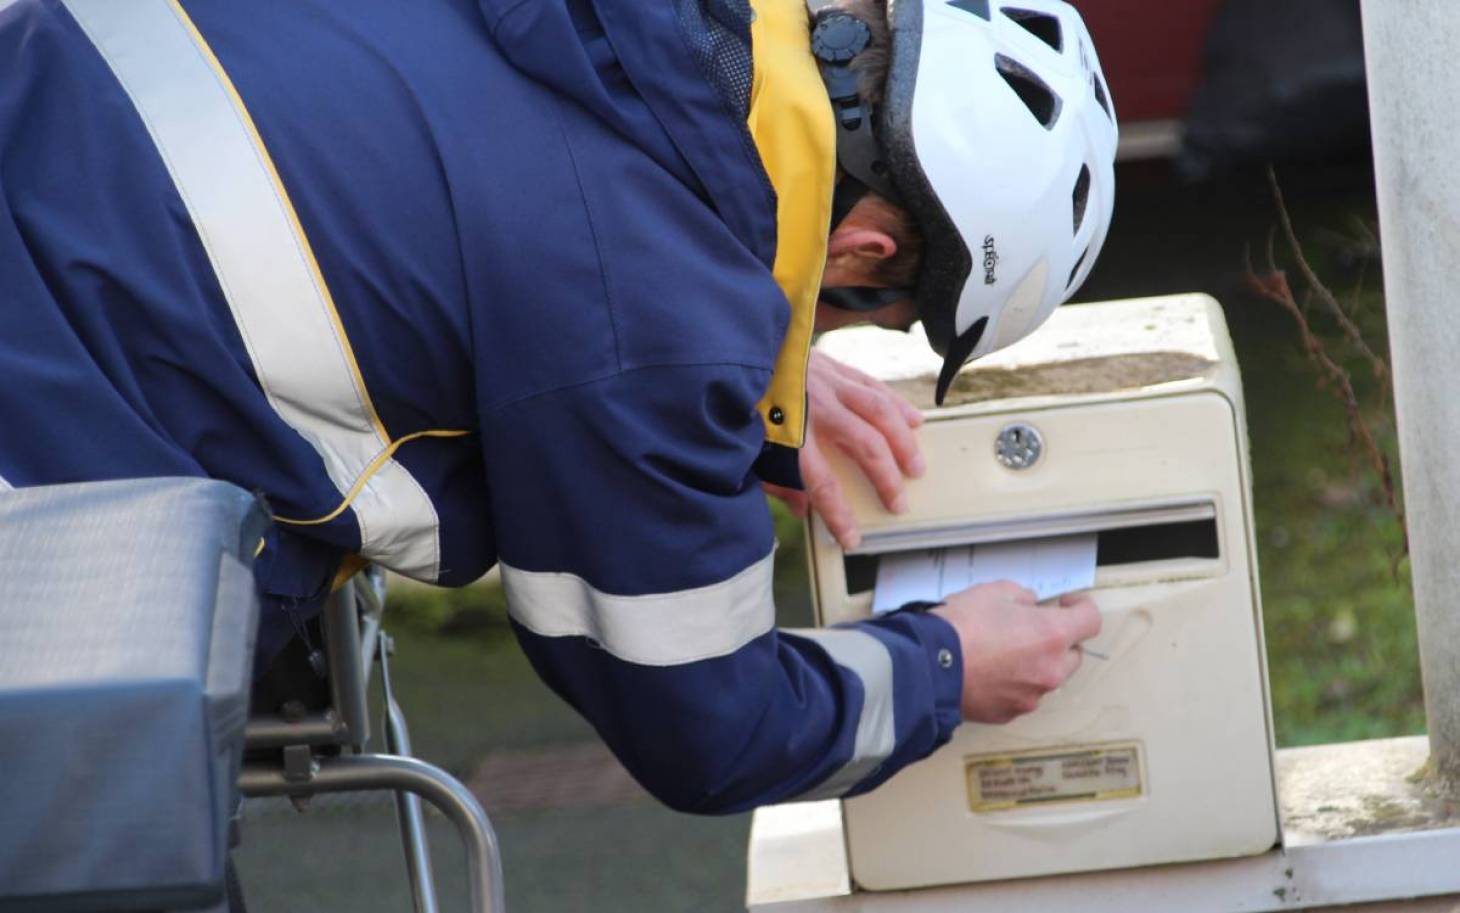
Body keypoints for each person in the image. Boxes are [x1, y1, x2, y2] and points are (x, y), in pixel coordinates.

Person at [0, 0, 1113, 813]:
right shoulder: (652, 315)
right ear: (863, 251)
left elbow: (473, 212)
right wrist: (945, 667)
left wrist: (761, 362)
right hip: (45, 528)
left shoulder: (649, 38)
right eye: (868, 312)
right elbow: (710, 725)